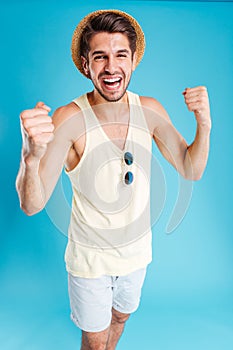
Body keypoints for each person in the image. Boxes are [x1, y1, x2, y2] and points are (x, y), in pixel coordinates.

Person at [16, 9, 211, 350]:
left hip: (137, 256)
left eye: (120, 55)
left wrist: (204, 125)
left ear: (133, 60)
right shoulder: (68, 118)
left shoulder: (150, 110)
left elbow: (190, 168)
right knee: (94, 340)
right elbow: (32, 205)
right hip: (90, 263)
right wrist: (30, 157)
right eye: (100, 57)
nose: (111, 67)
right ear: (85, 64)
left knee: (119, 319)